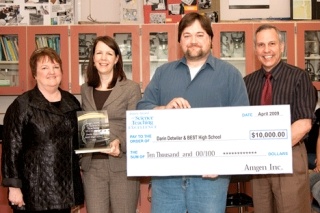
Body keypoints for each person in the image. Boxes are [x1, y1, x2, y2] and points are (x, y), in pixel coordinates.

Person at [137, 12, 249, 213]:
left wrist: (223, 164)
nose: (193, 41)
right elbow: (142, 110)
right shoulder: (163, 73)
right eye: (187, 35)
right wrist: (163, 109)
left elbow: (243, 125)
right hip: (166, 178)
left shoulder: (230, 75)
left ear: (211, 39)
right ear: (179, 40)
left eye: (199, 35)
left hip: (210, 177)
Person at [1, 47, 84, 212]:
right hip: (34, 191)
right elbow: (12, 149)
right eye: (45, 68)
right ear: (35, 74)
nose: (51, 72)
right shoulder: (22, 105)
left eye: (55, 67)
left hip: (65, 189)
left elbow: (79, 143)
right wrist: (14, 187)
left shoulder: (72, 102)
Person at [244, 24, 316, 213]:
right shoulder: (247, 82)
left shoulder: (299, 77)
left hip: (290, 154)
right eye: (261, 45)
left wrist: (273, 147)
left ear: (281, 47)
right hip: (258, 161)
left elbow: (304, 123)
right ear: (255, 49)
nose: (266, 50)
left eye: (272, 43)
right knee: (262, 209)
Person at [80, 35, 141, 213]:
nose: (103, 58)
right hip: (92, 168)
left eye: (109, 53)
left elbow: (136, 127)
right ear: (93, 58)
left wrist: (120, 142)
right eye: (99, 53)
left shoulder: (130, 88)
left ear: (116, 59)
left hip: (122, 165)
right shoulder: (85, 89)